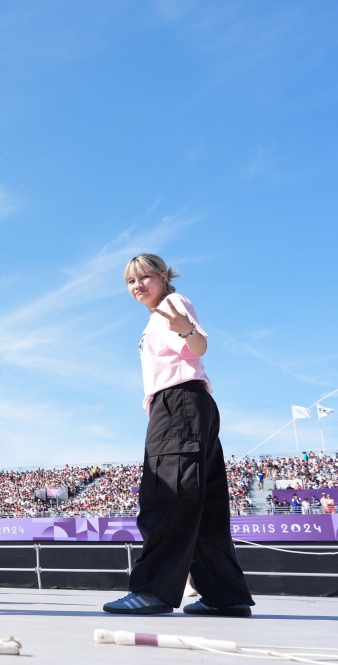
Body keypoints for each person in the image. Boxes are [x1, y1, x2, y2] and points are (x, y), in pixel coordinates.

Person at [103, 254, 253, 617]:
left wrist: (185, 326)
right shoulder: (156, 317)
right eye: (130, 281)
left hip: (179, 403)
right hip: (189, 405)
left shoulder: (173, 304)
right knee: (203, 506)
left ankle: (153, 591)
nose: (137, 285)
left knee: (166, 496)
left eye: (144, 277)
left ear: (163, 276)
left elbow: (199, 346)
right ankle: (224, 594)